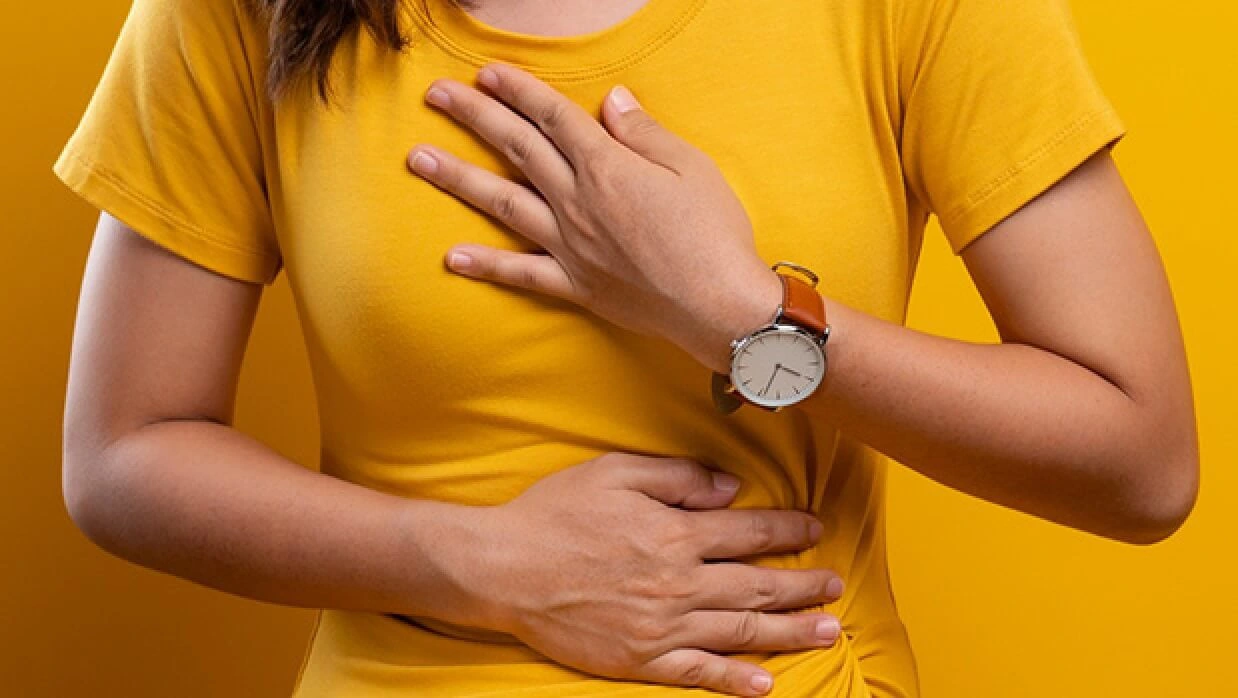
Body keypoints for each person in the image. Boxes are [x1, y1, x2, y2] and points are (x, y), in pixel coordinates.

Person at [54, 0, 1198, 696]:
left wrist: (735, 311)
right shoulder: (240, 11)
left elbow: (1140, 461)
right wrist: (479, 562)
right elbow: (125, 453)